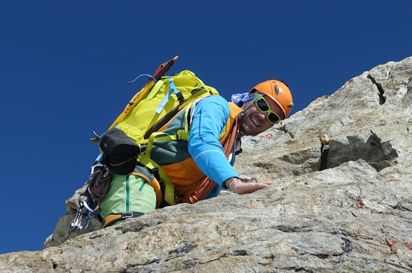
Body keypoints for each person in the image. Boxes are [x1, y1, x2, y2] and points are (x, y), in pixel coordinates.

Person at [98, 80, 293, 226]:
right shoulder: (216, 106)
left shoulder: (231, 149)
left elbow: (207, 192)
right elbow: (202, 141)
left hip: (166, 200)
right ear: (249, 98)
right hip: (139, 179)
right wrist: (234, 182)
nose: (262, 116)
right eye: (263, 105)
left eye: (272, 117)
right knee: (129, 232)